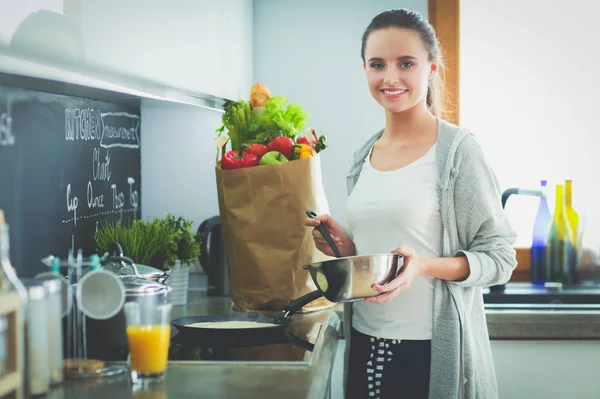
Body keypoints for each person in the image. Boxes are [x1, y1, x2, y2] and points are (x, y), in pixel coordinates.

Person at [305, 8, 517, 399]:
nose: (390, 78)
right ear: (365, 69)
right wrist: (351, 249)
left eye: (406, 63)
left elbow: (501, 258)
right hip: (365, 338)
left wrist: (422, 266)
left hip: (431, 351)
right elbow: (386, 248)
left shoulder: (457, 152)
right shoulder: (362, 156)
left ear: (431, 69)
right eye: (377, 64)